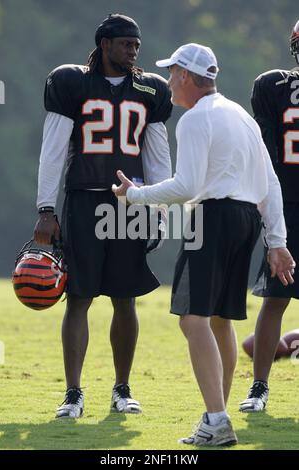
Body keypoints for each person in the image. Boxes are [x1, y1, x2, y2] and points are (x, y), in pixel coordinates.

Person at [112, 43, 295, 446]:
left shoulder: (194, 120)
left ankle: (215, 419)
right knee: (219, 321)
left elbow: (188, 186)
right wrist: (276, 240)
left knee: (192, 320)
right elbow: (271, 184)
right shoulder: (241, 116)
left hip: (213, 219)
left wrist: (135, 194)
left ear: (187, 76)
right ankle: (218, 416)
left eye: (173, 72)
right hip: (246, 220)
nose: (170, 81)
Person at [33, 13, 172, 418]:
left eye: (137, 46)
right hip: (83, 201)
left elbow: (158, 156)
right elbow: (54, 148)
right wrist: (46, 207)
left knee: (125, 299)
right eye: (126, 44)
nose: (133, 52)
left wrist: (159, 208)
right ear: (104, 44)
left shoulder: (150, 89)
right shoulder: (71, 82)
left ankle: (122, 388)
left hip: (130, 205)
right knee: (78, 297)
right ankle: (73, 392)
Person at [239, 21, 299, 412]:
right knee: (275, 298)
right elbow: (265, 155)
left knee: (275, 300)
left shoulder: (275, 86)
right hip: (287, 205)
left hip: (285, 203)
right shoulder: (273, 86)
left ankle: (258, 389)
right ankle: (259, 386)